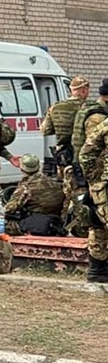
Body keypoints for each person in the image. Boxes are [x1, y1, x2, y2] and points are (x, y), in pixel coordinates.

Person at [0, 154, 64, 235]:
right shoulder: (53, 182)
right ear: (39, 166)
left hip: (35, 225)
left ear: (22, 168)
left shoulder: (26, 188)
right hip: (54, 223)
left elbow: (8, 210)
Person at [76, 79, 108, 283]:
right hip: (102, 182)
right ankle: (98, 270)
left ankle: (97, 270)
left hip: (103, 184)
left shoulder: (104, 123)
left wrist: (94, 180)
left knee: (97, 224)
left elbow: (86, 153)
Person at [42, 76, 92, 177]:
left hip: (63, 154)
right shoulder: (90, 107)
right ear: (83, 90)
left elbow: (45, 130)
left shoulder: (55, 107)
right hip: (84, 153)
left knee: (67, 185)